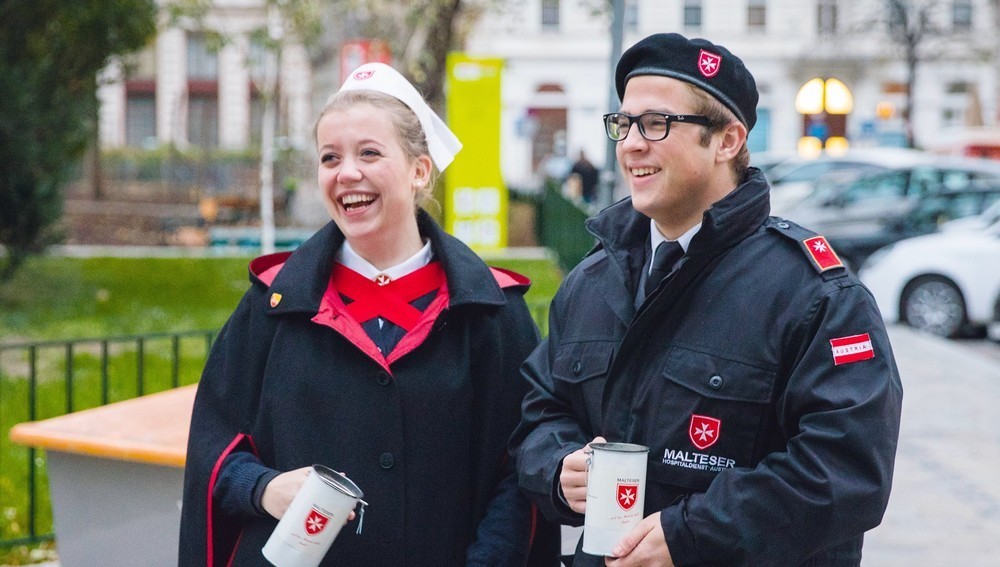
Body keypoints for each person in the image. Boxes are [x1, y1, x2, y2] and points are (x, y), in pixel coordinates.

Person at [510, 33, 903, 567]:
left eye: (656, 123)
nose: (629, 144)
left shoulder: (814, 294)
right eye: (623, 124)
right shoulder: (592, 282)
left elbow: (845, 472)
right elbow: (540, 411)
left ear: (727, 140)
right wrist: (559, 468)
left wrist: (693, 533)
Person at [179, 62, 559, 566]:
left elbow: (519, 472)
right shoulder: (272, 306)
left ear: (420, 170)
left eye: (370, 153)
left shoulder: (491, 312)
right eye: (329, 157)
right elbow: (213, 450)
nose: (346, 173)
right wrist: (264, 489)